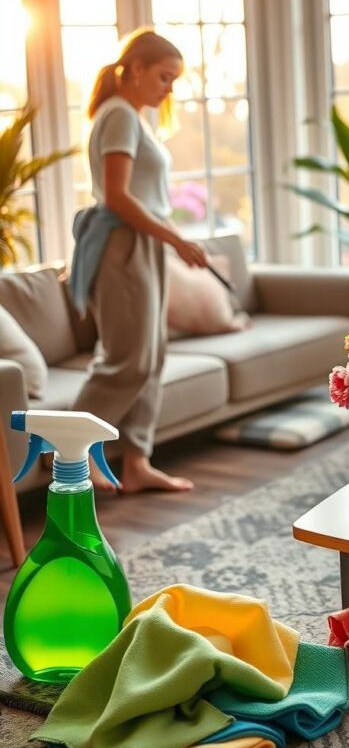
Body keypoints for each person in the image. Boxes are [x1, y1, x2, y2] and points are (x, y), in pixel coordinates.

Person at [69, 27, 208, 493]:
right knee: (128, 360)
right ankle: (72, 449)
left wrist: (166, 238)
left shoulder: (132, 117)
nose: (169, 88)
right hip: (123, 245)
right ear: (136, 68)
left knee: (152, 355)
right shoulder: (119, 116)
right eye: (165, 77)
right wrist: (174, 238)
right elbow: (116, 196)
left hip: (141, 243)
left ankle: (136, 461)